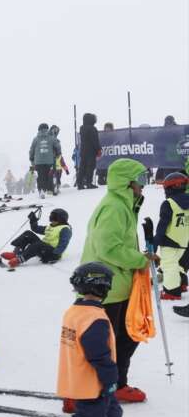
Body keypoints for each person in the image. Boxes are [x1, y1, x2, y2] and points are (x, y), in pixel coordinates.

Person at [79, 158, 155, 403]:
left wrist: (139, 258)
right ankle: (83, 390)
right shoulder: (114, 207)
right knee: (102, 343)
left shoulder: (124, 205)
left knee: (127, 336)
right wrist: (140, 260)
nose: (144, 185)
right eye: (140, 179)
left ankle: (116, 384)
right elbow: (108, 247)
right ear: (126, 182)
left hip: (116, 284)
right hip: (104, 287)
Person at [57, 262, 129, 417]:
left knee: (112, 413)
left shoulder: (75, 311)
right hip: (92, 382)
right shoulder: (94, 319)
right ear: (103, 288)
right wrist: (110, 378)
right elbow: (98, 354)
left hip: (86, 379)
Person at [154, 172, 189, 299]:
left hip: (170, 241)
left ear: (170, 188)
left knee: (169, 264)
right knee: (180, 264)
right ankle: (182, 284)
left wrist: (154, 243)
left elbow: (162, 227)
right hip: (185, 241)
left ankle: (172, 291)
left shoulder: (168, 204)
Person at [1, 208, 72, 267]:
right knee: (28, 234)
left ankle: (19, 259)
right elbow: (35, 228)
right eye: (51, 217)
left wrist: (54, 256)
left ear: (61, 219)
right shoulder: (50, 227)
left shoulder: (65, 229)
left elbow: (63, 244)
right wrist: (33, 220)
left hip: (52, 253)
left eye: (54, 217)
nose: (51, 219)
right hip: (43, 249)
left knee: (38, 244)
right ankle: (15, 253)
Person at [29, 123, 61, 200]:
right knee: (48, 175)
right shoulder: (51, 138)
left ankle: (41, 190)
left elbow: (32, 150)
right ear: (47, 129)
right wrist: (58, 153)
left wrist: (31, 158)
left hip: (38, 162)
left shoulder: (35, 139)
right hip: (49, 161)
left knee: (41, 176)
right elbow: (57, 146)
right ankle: (51, 187)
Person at [78, 113, 101, 189]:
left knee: (82, 167)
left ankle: (80, 183)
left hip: (83, 150)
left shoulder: (82, 128)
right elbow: (95, 141)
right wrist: (98, 149)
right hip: (91, 151)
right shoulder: (92, 128)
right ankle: (88, 183)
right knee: (90, 167)